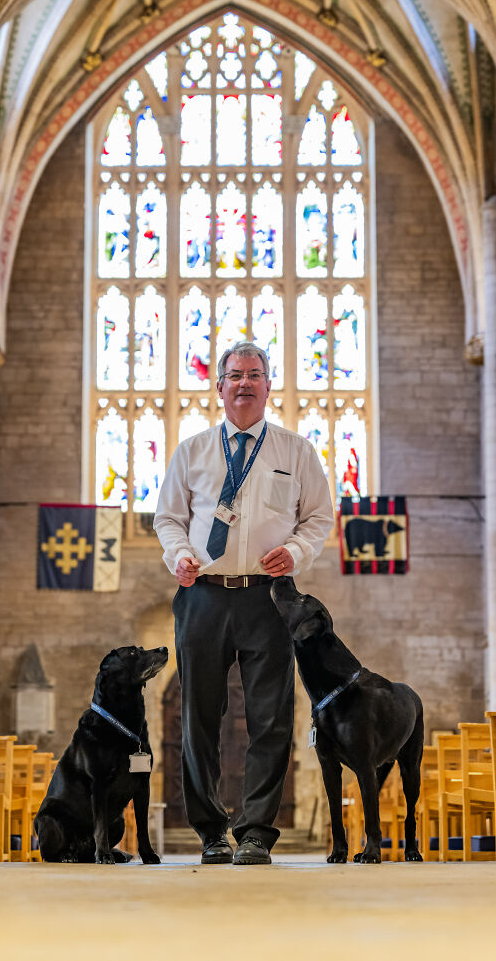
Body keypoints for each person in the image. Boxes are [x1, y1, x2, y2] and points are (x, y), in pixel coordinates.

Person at [154, 341, 334, 865]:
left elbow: (319, 517)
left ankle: (255, 831)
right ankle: (210, 832)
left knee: (270, 718)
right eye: (235, 375)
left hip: (267, 598)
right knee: (199, 718)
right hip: (203, 595)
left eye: (255, 375)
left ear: (268, 385)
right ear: (220, 386)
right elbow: (168, 517)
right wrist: (180, 554)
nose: (244, 384)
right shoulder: (192, 451)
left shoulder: (295, 451)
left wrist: (297, 550)